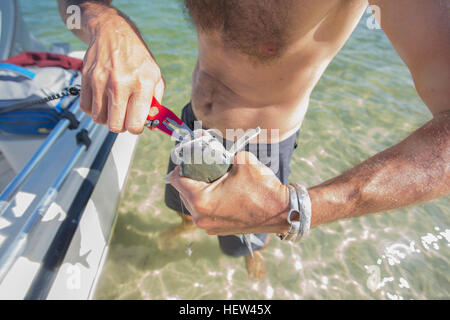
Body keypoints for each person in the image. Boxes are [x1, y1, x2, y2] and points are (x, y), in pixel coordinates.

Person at [58, 0, 449, 279]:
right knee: (180, 202)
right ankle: (187, 225)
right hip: (189, 123)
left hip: (259, 150)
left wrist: (294, 209)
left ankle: (252, 257)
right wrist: (105, 22)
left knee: (243, 241)